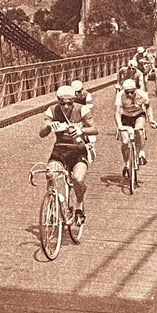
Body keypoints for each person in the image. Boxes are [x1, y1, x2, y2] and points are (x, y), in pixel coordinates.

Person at [37, 85, 97, 224]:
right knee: (50, 174)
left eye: (69, 103)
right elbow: (42, 133)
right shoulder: (52, 110)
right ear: (58, 101)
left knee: (77, 179)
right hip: (60, 150)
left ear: (74, 100)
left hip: (78, 150)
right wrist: (49, 126)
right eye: (62, 103)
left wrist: (81, 130)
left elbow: (95, 129)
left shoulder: (82, 109)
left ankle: (79, 205)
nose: (66, 107)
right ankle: (52, 206)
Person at [114, 78, 157, 165]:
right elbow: (117, 112)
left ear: (135, 90)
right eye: (127, 92)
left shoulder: (142, 94)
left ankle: (141, 152)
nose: (129, 94)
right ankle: (126, 163)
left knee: (139, 129)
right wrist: (119, 125)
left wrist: (151, 119)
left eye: (132, 92)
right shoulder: (120, 95)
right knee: (125, 142)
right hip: (125, 115)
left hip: (138, 114)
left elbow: (148, 106)